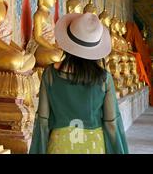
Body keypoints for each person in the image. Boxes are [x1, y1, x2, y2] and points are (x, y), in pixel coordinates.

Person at [29, 13, 129, 154]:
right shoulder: (104, 79)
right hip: (93, 146)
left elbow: (43, 121)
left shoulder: (50, 74)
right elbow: (111, 123)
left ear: (68, 40)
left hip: (60, 146)